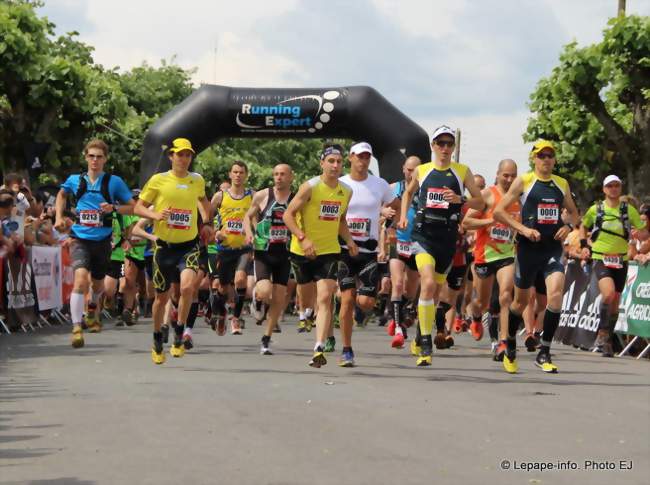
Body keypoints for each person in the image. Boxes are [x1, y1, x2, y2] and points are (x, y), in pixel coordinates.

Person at [397, 125, 485, 366]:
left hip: (447, 239)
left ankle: (418, 334)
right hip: (423, 235)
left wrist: (461, 199)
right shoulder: (423, 170)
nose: (445, 148)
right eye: (440, 143)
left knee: (434, 291)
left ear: (453, 147)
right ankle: (426, 341)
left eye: (449, 144)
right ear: (433, 146)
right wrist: (404, 216)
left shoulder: (462, 171)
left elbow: (480, 200)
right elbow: (407, 193)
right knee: (426, 283)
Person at [493, 140, 579, 373]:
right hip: (528, 249)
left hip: (551, 249)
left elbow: (573, 212)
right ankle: (510, 342)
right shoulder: (525, 181)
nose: (546, 159)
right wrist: (522, 229)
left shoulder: (561, 183)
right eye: (542, 156)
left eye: (550, 155)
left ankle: (544, 351)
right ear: (534, 159)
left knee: (556, 295)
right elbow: (499, 211)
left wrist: (568, 227)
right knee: (519, 303)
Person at [134, 138, 210, 364]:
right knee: (161, 297)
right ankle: (157, 338)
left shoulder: (197, 180)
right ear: (171, 157)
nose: (184, 159)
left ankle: (179, 331)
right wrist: (155, 215)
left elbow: (204, 202)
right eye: (180, 155)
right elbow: (138, 207)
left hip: (189, 245)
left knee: (188, 287)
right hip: (164, 247)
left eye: (188, 155)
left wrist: (206, 222)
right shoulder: (158, 180)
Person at [55, 139, 135, 348]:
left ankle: (92, 306)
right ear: (85, 157)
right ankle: (76, 328)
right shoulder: (75, 180)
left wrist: (114, 208)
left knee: (98, 285)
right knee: (80, 281)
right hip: (80, 238)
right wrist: (58, 217)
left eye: (99, 157)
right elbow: (61, 195)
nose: (95, 160)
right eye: (91, 156)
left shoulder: (113, 182)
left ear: (105, 159)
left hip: (102, 241)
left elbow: (132, 207)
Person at [283, 143, 357, 368]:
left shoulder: (346, 191)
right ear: (322, 163)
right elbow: (288, 215)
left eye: (338, 162)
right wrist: (303, 238)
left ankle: (319, 347)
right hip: (302, 250)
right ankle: (305, 311)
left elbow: (341, 221)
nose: (335, 166)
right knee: (307, 299)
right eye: (331, 161)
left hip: (329, 251)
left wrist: (350, 241)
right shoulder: (310, 187)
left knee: (325, 297)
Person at [336, 141, 398, 366]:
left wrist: (390, 225)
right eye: (359, 156)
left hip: (369, 250)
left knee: (366, 302)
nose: (363, 161)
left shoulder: (379, 184)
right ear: (351, 158)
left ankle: (356, 314)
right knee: (347, 299)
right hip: (343, 249)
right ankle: (347, 350)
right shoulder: (340, 183)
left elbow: (396, 204)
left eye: (366, 157)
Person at [580, 175, 648, 357]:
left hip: (621, 259)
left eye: (617, 185)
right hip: (601, 257)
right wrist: (584, 246)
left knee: (615, 303)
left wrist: (639, 233)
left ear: (620, 188)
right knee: (608, 293)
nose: (613, 189)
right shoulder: (596, 209)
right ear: (604, 189)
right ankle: (602, 333)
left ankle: (607, 340)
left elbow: (643, 232)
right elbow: (583, 226)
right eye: (610, 186)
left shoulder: (629, 210)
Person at [462, 159, 519, 357]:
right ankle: (475, 316)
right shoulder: (487, 195)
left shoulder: (518, 197)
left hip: (507, 255)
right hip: (485, 256)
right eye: (506, 175)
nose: (509, 179)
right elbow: (467, 221)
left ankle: (504, 342)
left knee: (505, 296)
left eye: (513, 175)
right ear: (497, 174)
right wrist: (489, 221)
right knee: (482, 303)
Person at [244, 164, 295, 355]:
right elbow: (247, 217)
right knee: (265, 292)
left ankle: (266, 338)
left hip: (285, 252)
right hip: (264, 251)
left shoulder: (297, 198)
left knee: (279, 298)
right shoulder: (263, 195)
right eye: (275, 174)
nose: (279, 177)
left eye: (283, 174)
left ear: (291, 177)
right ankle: (257, 301)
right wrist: (249, 233)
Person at [210, 162, 254, 335]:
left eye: (241, 172)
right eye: (235, 172)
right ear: (230, 174)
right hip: (225, 248)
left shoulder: (252, 195)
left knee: (241, 280)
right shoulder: (219, 197)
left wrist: (256, 235)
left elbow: (258, 217)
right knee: (222, 288)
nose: (238, 175)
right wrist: (216, 232)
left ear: (246, 175)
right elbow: (206, 220)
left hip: (244, 246)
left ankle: (236, 317)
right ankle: (219, 312)